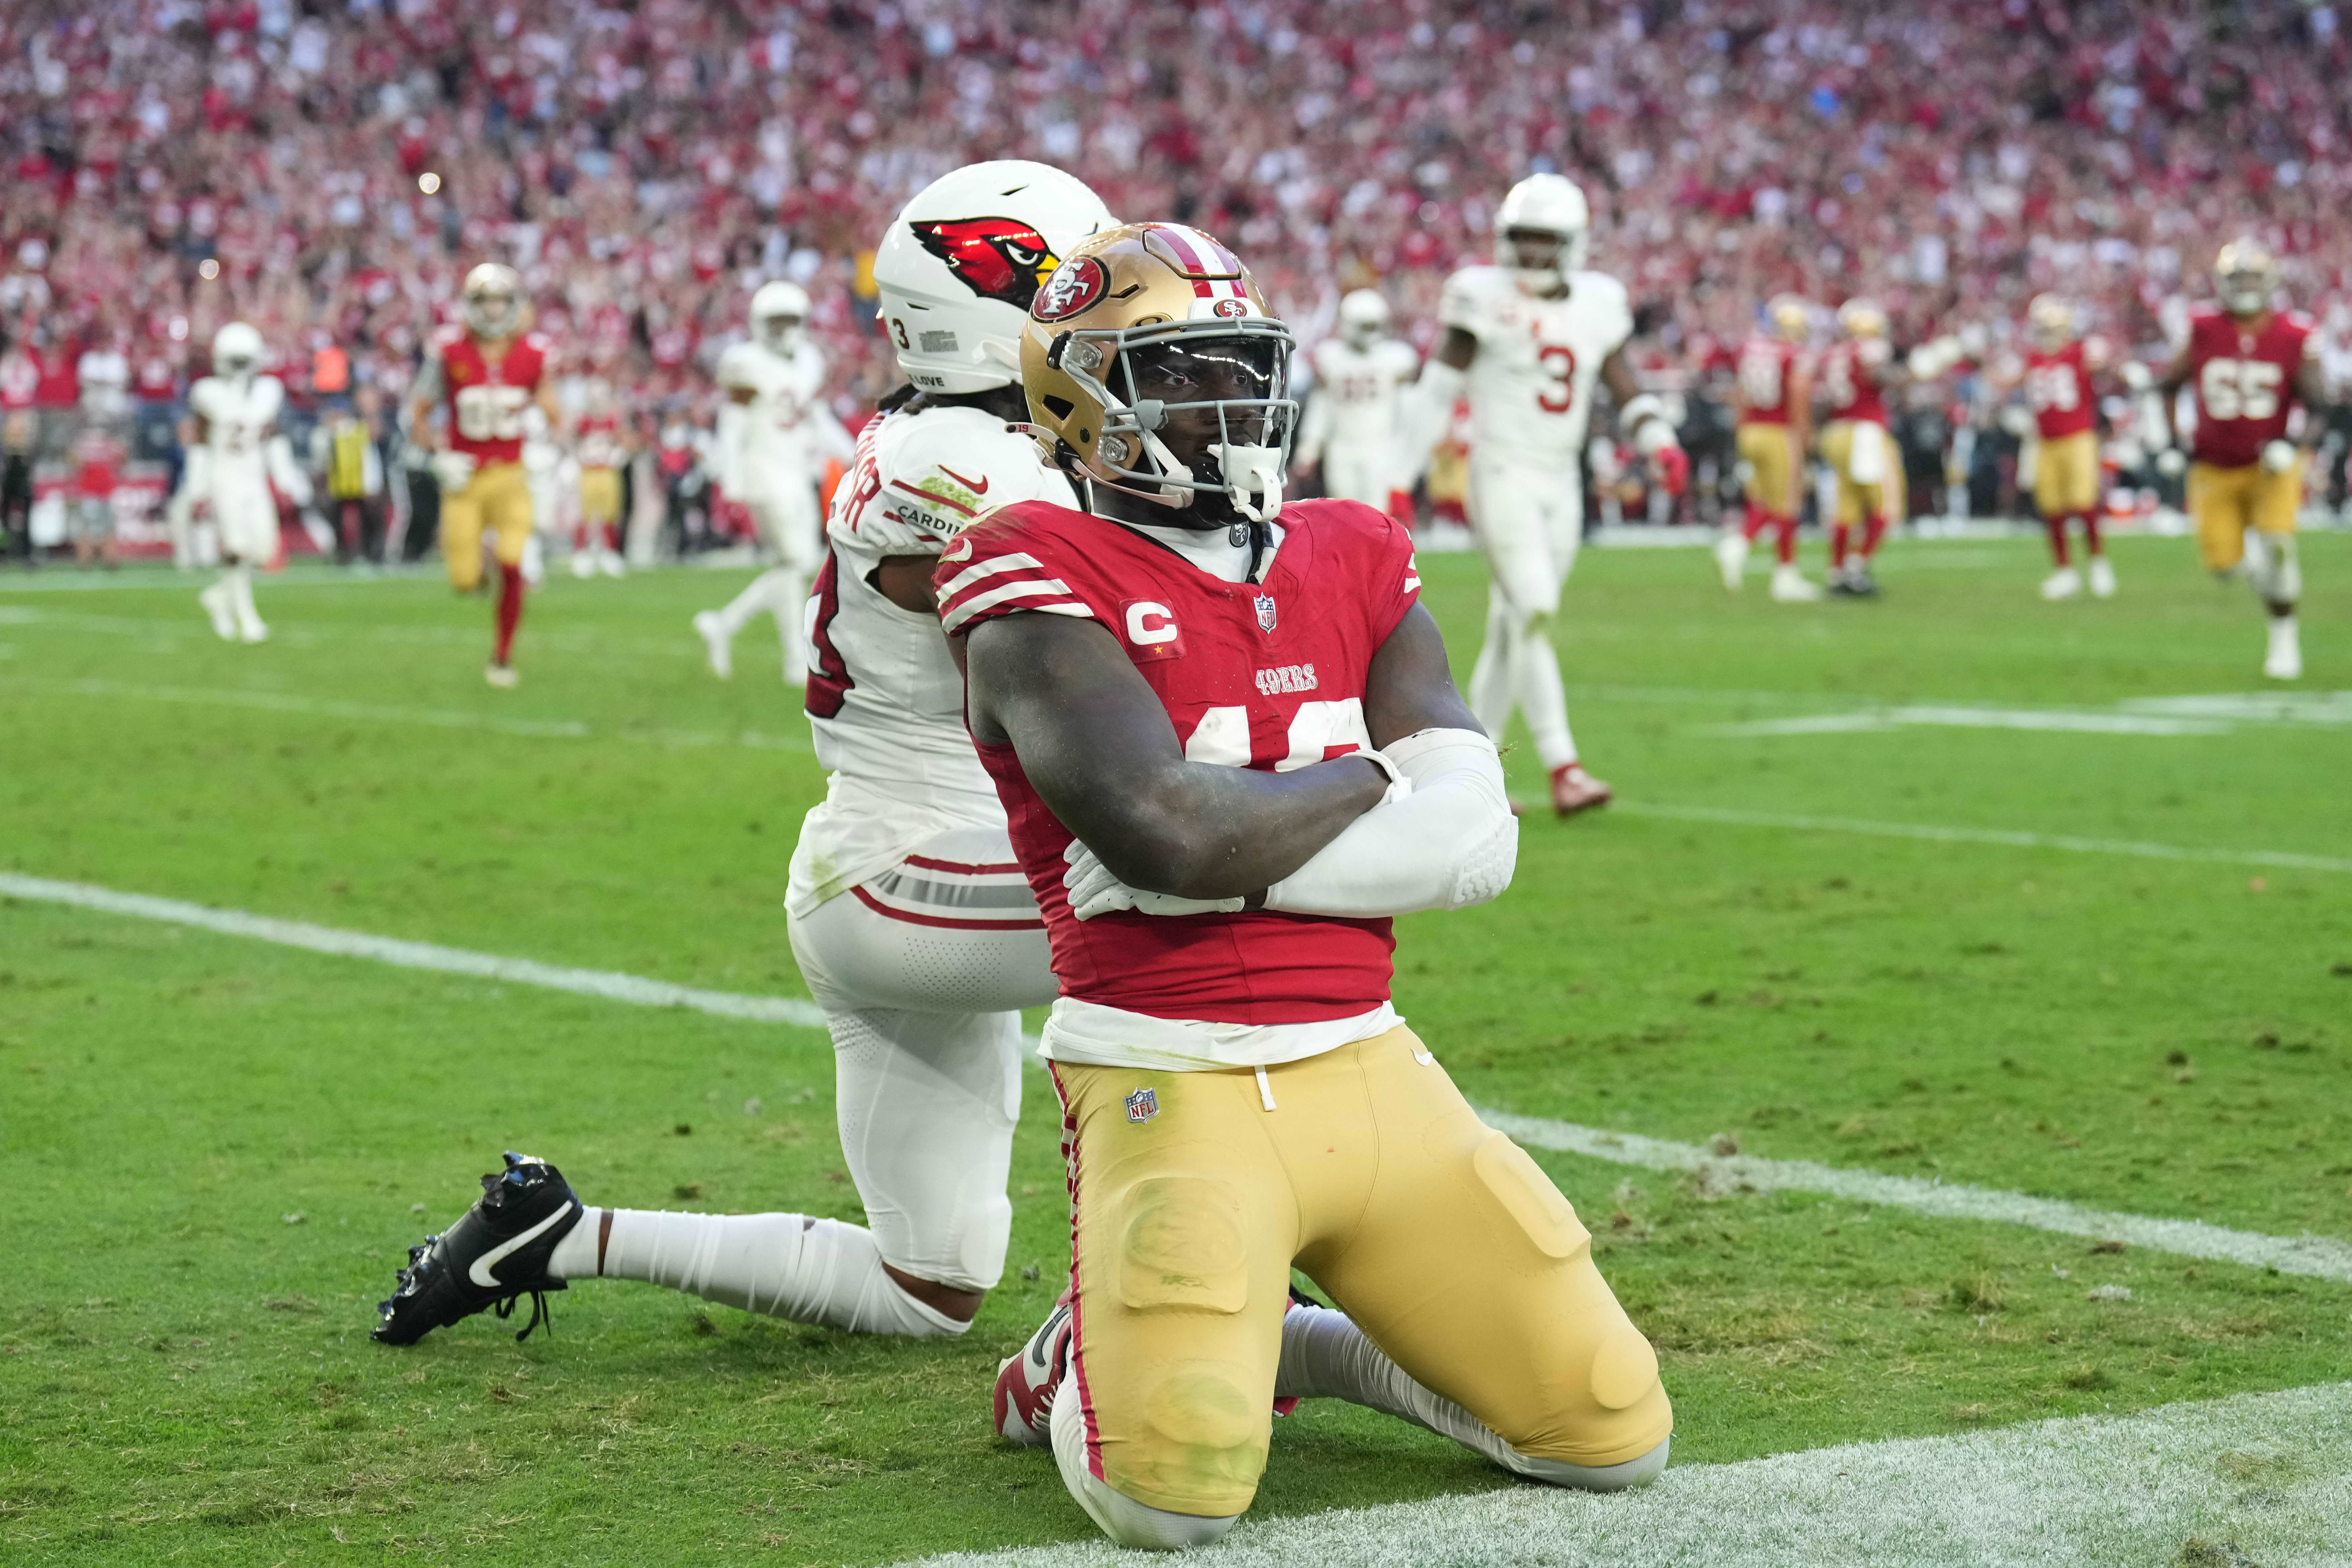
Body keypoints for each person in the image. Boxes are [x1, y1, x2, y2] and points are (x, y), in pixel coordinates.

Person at [956, 223, 1669, 1549]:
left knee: (1610, 1425)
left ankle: (1300, 1345)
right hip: (1171, 1067)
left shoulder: (1352, 543)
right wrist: (1357, 777)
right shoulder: (1027, 565)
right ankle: (1074, 1361)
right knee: (1166, 1493)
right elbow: (1168, 834)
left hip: (1373, 1065)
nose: (1227, 400)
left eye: (1240, 364)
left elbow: (1471, 840)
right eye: (1178, 372)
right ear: (1076, 398)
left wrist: (1237, 821)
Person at [368, 160, 1116, 1350]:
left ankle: (559, 1233)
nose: (1105, 322)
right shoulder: (969, 466)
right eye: (1081, 291)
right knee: (1183, 903)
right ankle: (1195, 1265)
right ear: (996, 304)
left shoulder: (973, 437)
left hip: (930, 874)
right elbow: (1107, 656)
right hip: (907, 870)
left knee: (928, 1289)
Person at [1410, 174, 1687, 818]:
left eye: (1545, 242)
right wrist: (1405, 471)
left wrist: (1660, 442)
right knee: (1533, 607)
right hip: (1502, 470)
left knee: (1513, 627)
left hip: (1563, 483)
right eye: (1523, 241)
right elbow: (1436, 390)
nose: (1532, 255)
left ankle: (1470, 776)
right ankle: (1565, 765)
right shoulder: (1480, 296)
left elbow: (1623, 383)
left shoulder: (1598, 302)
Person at [2155, 238, 2328, 681]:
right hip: (2212, 465)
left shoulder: (2293, 335)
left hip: (2269, 465)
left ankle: (2283, 638)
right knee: (2226, 568)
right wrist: (2172, 443)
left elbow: (2320, 406)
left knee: (2276, 546)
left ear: (2269, 281)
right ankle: (2270, 588)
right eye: (2237, 279)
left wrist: (2290, 445)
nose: (2244, 286)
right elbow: (2167, 386)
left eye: (2252, 278)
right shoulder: (2202, 328)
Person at [406, 263, 563, 687]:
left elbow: (554, 412)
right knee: (463, 580)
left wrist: (550, 441)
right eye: (485, 302)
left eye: (501, 302)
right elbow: (417, 414)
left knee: (514, 565)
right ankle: (481, 572)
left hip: (511, 476)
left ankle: (503, 655)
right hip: (466, 479)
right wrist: (437, 454)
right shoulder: (449, 350)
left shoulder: (534, 355)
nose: (494, 312)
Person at [693, 282, 851, 681]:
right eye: (775, 321)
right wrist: (727, 477)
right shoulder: (744, 362)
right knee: (798, 563)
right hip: (762, 472)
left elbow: (817, 418)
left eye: (789, 320)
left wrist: (855, 453)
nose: (783, 329)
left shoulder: (809, 360)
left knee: (792, 566)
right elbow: (734, 423)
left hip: (797, 470)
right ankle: (793, 660)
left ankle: (729, 628)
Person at [186, 324, 286, 642]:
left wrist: (285, 477)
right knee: (237, 548)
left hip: (254, 477)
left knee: (264, 550)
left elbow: (272, 436)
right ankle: (248, 618)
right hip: (224, 476)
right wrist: (197, 489)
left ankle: (218, 597)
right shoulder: (207, 394)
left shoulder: (268, 392)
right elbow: (201, 444)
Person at [1715, 294, 1818, 600]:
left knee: (1763, 500)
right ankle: (1784, 576)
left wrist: (1741, 429)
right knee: (1788, 505)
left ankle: (1737, 546)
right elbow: (1798, 397)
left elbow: (1739, 394)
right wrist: (1804, 437)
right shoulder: (1792, 354)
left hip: (1750, 430)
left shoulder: (1752, 349)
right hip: (1778, 432)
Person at [2015, 296, 2115, 601]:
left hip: (2078, 437)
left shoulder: (2078, 353)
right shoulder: (2031, 358)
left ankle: (2098, 562)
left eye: (2051, 328)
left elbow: (2101, 363)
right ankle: (2065, 571)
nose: (2046, 334)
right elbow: (2005, 382)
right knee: (2052, 508)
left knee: (2083, 502)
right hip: (2045, 441)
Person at [1291, 288, 1418, 518]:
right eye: (1365, 326)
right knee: (1345, 516)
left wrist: (1406, 452)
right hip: (1340, 448)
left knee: (1377, 516)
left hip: (1381, 447)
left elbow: (1407, 411)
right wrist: (1309, 448)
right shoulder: (1330, 357)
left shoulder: (1396, 358)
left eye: (1373, 325)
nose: (1370, 332)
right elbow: (1322, 407)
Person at [1816, 298, 1903, 597]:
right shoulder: (1869, 349)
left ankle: (1837, 571)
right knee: (1887, 506)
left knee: (1847, 508)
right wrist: (1912, 374)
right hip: (1865, 432)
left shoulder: (1831, 354)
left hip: (1836, 431)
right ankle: (1856, 567)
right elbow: (1877, 376)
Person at [313, 388, 391, 565]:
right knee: (338, 517)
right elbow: (322, 452)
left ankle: (371, 552)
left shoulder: (366, 425)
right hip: (341, 479)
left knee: (370, 516)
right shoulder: (332, 429)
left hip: (364, 478)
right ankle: (344, 553)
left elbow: (378, 443)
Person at [570, 379, 628, 578]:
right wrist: (575, 457)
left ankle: (609, 552)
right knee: (584, 514)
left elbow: (623, 440)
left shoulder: (613, 420)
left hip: (606, 471)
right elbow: (570, 440)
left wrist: (618, 454)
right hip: (587, 471)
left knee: (609, 513)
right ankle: (581, 553)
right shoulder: (582, 421)